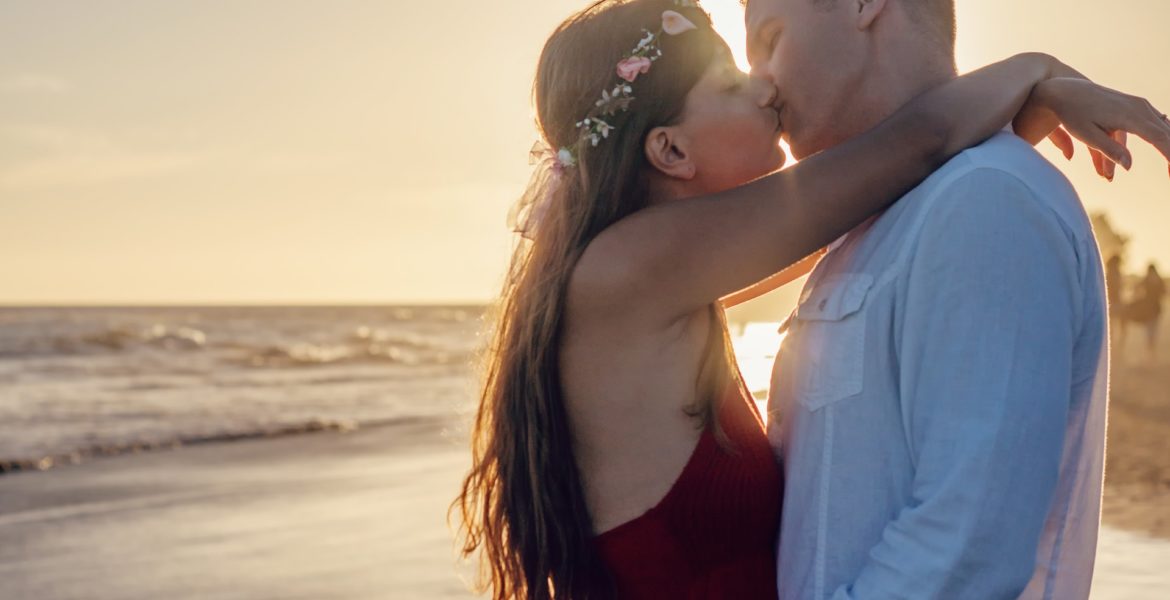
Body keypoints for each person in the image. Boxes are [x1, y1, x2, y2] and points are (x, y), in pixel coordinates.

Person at [453, 1, 1170, 598]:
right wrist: (1033, 72)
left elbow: (870, 191)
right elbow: (915, 143)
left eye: (768, 44)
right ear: (670, 151)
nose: (764, 86)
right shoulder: (628, 269)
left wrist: (1003, 112)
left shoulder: (652, 277)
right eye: (733, 79)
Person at [743, 0, 1169, 598]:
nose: (755, 80)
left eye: (770, 39)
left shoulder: (983, 201)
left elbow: (964, 551)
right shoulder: (871, 221)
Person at [1129, 263, 1166, 360]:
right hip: (1154, 309)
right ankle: (1151, 352)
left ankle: (1150, 352)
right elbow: (1164, 292)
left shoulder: (1147, 280)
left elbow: (1136, 287)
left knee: (1150, 330)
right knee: (1152, 330)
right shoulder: (1159, 280)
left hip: (1150, 309)